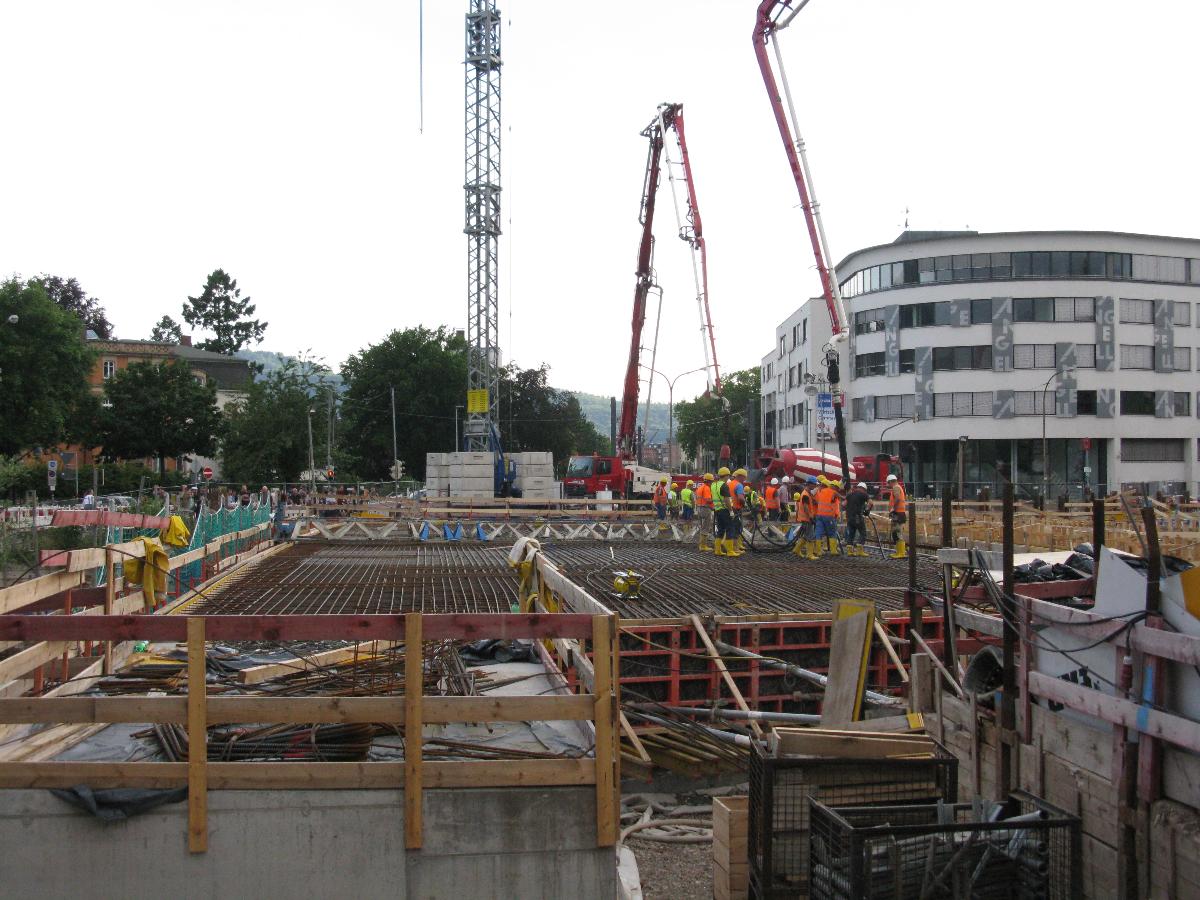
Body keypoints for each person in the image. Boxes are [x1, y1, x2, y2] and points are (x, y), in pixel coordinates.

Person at [711, 466, 742, 557]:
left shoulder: (713, 485)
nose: (729, 477)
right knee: (730, 529)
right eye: (728, 476)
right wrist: (731, 511)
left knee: (720, 530)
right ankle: (730, 551)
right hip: (725, 510)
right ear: (726, 476)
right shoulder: (724, 485)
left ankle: (717, 550)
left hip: (717, 510)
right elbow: (727, 500)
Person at [813, 477, 843, 556]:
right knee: (832, 533)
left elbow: (816, 499)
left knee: (818, 532)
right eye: (837, 488)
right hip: (829, 516)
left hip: (819, 515)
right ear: (835, 487)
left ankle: (818, 551)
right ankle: (833, 551)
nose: (837, 489)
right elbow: (842, 497)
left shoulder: (821, 491)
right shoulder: (833, 492)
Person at [792, 475, 818, 559]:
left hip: (804, 518)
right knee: (810, 536)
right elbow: (806, 507)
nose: (815, 486)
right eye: (814, 484)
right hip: (807, 518)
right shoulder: (806, 494)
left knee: (806, 535)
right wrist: (811, 517)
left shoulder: (806, 493)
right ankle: (809, 554)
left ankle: (796, 550)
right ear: (810, 484)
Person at [844, 482, 872, 556]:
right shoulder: (863, 494)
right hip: (857, 517)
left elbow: (843, 504)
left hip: (849, 517)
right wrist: (867, 511)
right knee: (863, 533)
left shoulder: (850, 494)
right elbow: (871, 503)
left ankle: (850, 552)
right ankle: (859, 551)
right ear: (863, 489)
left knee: (851, 534)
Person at [887, 473, 909, 559]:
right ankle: (899, 552)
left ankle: (901, 553)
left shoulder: (896, 487)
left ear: (890, 482)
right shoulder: (898, 487)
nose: (888, 485)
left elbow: (897, 498)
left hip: (898, 513)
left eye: (888, 483)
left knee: (897, 532)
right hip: (899, 513)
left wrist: (893, 508)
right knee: (896, 533)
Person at [695, 473, 714, 552]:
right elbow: (708, 500)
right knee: (706, 527)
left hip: (699, 508)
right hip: (705, 509)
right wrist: (716, 500)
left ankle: (701, 544)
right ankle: (703, 546)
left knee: (702, 527)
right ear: (709, 481)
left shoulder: (700, 487)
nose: (712, 483)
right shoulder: (706, 488)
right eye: (712, 481)